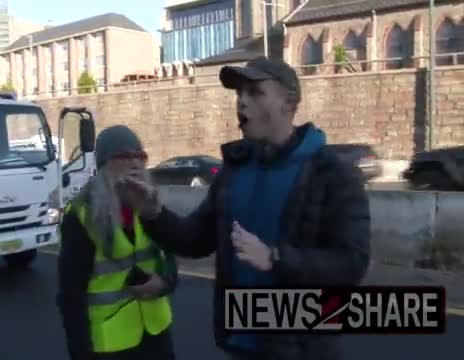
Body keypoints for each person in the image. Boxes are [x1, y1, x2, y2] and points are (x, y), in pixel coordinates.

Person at [116, 56, 371, 360]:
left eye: (255, 92)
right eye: (239, 93)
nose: (241, 102)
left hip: (303, 350)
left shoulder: (332, 173)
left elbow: (351, 263)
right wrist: (153, 214)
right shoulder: (234, 171)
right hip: (239, 344)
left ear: (288, 103)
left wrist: (276, 258)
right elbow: (194, 240)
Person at [56, 125, 178, 360]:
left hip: (156, 333)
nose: (134, 163)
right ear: (103, 164)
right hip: (110, 344)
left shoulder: (151, 206)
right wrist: (80, 353)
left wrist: (164, 283)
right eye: (124, 156)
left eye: (140, 156)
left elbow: (170, 260)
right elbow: (71, 296)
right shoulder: (82, 215)